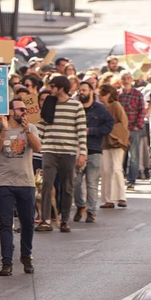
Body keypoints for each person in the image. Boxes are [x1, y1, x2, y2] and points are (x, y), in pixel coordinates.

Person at [0, 99, 41, 277]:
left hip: (26, 182)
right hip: (4, 182)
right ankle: (7, 262)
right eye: (21, 109)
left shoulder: (31, 128)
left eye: (26, 109)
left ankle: (26, 256)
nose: (25, 112)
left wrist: (27, 130)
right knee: (5, 223)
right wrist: (4, 131)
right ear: (11, 112)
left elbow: (38, 147)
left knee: (27, 222)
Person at [37, 76, 86, 233]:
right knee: (46, 184)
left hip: (68, 151)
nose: (50, 89)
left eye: (52, 86)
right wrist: (34, 141)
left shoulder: (76, 106)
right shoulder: (49, 104)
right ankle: (45, 219)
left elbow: (81, 132)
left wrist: (82, 153)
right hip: (49, 150)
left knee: (67, 186)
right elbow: (42, 127)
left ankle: (64, 219)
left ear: (61, 87)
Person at [74, 83, 112, 223]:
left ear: (91, 92)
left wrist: (92, 131)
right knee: (76, 182)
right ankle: (80, 205)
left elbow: (109, 125)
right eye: (80, 90)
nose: (81, 92)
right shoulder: (75, 107)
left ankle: (92, 211)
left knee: (92, 182)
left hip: (94, 149)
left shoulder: (100, 109)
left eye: (84, 90)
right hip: (77, 150)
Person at [99, 84, 130, 210]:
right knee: (105, 170)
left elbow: (123, 122)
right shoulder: (100, 108)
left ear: (108, 94)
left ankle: (121, 197)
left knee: (116, 168)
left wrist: (110, 130)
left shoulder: (116, 105)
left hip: (116, 140)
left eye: (102, 94)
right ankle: (108, 199)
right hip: (104, 142)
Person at [118, 74, 148, 188]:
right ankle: (120, 179)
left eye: (128, 78)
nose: (126, 81)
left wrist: (138, 125)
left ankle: (131, 180)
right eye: (123, 78)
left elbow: (142, 110)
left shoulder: (137, 94)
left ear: (131, 80)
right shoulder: (117, 95)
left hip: (133, 129)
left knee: (134, 156)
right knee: (119, 156)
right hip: (120, 129)